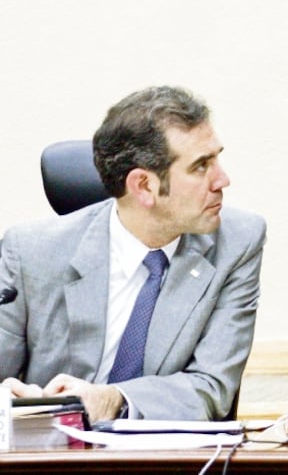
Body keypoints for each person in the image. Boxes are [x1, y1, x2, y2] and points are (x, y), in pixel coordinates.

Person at [0, 86, 265, 421]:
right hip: (49, 455)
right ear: (143, 186)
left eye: (216, 159)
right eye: (201, 166)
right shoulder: (30, 251)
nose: (222, 180)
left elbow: (212, 387)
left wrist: (114, 400)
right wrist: (14, 399)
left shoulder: (237, 243)